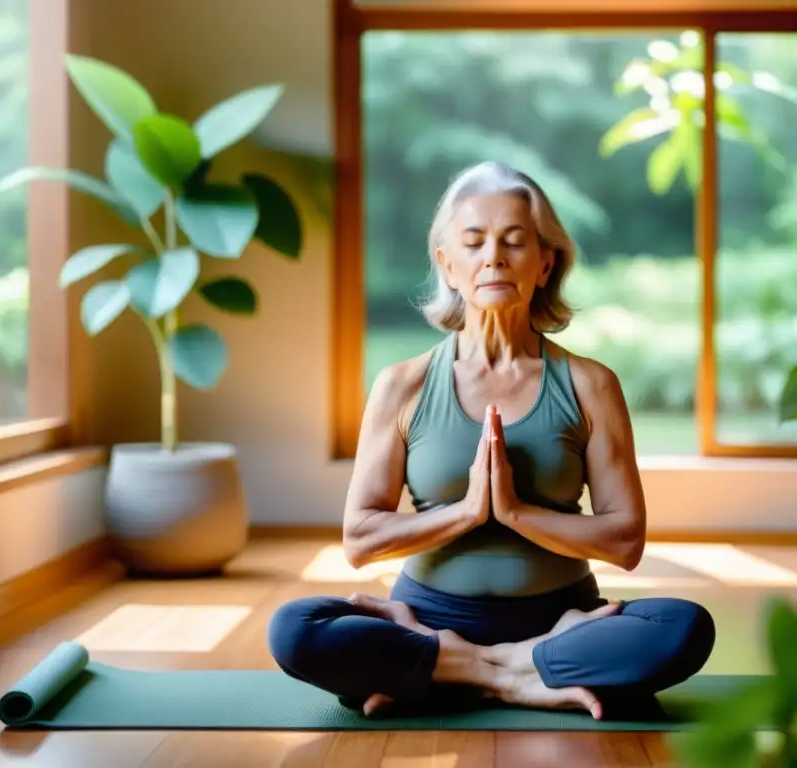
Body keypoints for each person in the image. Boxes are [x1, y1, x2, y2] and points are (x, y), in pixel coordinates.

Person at [267, 161, 715, 720]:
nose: (493, 258)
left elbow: (625, 541)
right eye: (474, 243)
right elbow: (360, 538)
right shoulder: (402, 385)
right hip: (426, 623)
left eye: (513, 242)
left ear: (545, 261)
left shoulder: (591, 384)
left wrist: (515, 512)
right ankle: (518, 675)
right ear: (447, 264)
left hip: (558, 622)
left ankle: (452, 674)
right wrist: (468, 512)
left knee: (684, 627)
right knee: (295, 630)